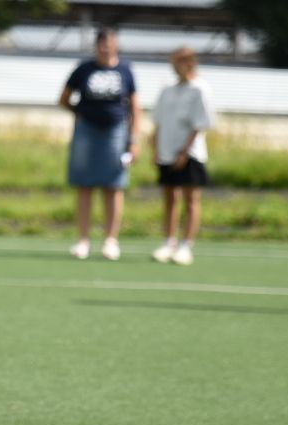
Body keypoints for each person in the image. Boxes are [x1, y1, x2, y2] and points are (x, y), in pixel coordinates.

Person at [58, 27, 139, 260]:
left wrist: (133, 140)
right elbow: (64, 98)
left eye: (110, 43)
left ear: (116, 45)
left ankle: (110, 240)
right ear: (96, 46)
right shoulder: (84, 69)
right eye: (102, 43)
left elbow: (135, 106)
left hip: (115, 131)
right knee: (84, 184)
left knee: (113, 185)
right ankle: (83, 239)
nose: (106, 47)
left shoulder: (126, 70)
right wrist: (79, 113)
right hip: (87, 131)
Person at [150, 47, 214, 266]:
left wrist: (185, 152)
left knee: (191, 199)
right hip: (166, 151)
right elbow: (157, 120)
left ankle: (187, 245)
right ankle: (169, 242)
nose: (174, 67)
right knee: (170, 197)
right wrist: (155, 148)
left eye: (178, 62)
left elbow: (200, 123)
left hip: (190, 154)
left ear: (189, 63)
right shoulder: (167, 89)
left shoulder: (199, 89)